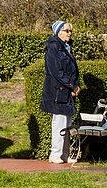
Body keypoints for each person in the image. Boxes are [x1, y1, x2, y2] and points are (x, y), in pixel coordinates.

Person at [41, 20, 80, 164]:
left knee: (67, 124)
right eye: (66, 31)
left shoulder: (66, 48)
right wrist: (72, 86)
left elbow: (73, 70)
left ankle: (64, 155)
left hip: (67, 92)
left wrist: (76, 86)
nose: (69, 33)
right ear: (59, 32)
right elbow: (57, 71)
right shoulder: (53, 48)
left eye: (70, 31)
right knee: (59, 123)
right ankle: (55, 154)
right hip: (58, 92)